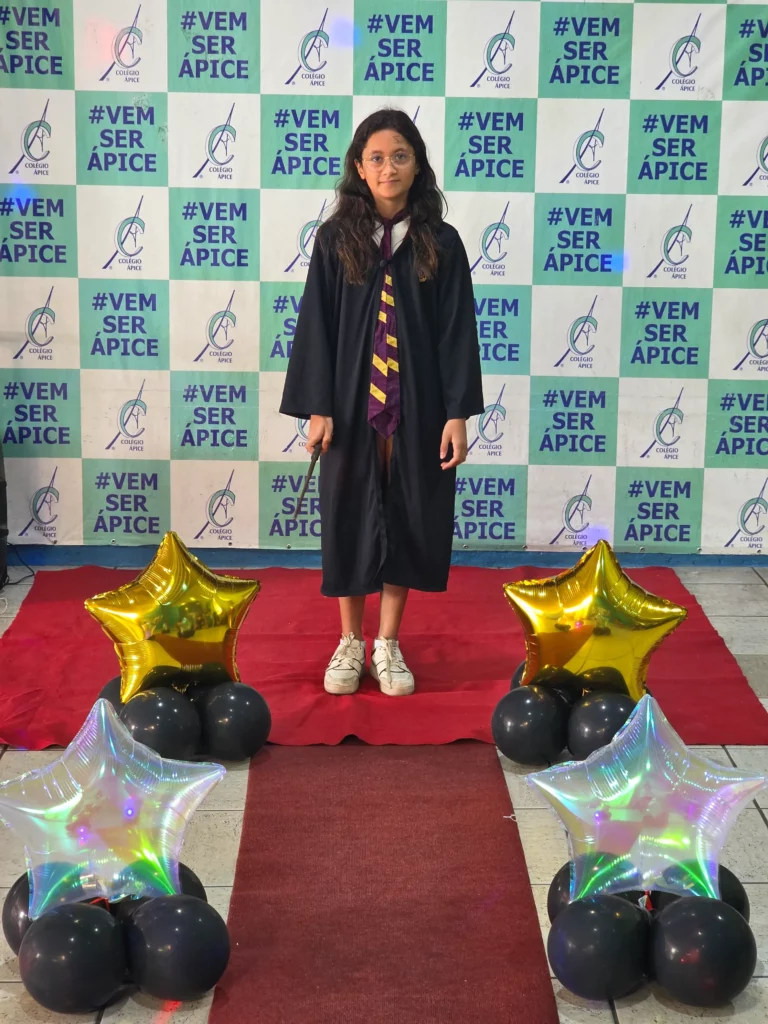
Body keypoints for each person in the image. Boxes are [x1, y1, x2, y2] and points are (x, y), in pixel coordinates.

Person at [280, 108, 484, 698]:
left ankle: (387, 642)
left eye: (400, 156)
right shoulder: (335, 240)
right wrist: (318, 407)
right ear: (359, 168)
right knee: (348, 511)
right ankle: (349, 639)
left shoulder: (440, 242)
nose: (388, 167)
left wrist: (456, 412)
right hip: (350, 403)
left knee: (409, 512)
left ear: (417, 165)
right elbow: (316, 328)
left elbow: (456, 333)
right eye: (376, 158)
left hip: (419, 404)